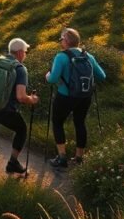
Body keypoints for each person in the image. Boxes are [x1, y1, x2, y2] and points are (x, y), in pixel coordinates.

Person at [0, 38, 40, 184]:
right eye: (26, 52)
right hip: (5, 111)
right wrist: (33, 99)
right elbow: (21, 97)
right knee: (21, 129)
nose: (26, 55)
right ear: (21, 53)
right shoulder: (20, 69)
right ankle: (12, 163)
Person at [44, 27, 106, 168]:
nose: (61, 42)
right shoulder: (88, 56)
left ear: (66, 41)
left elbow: (53, 79)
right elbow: (102, 76)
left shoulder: (61, 56)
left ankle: (62, 158)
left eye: (61, 39)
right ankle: (79, 158)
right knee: (80, 123)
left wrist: (47, 76)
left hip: (65, 96)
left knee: (57, 122)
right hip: (85, 96)